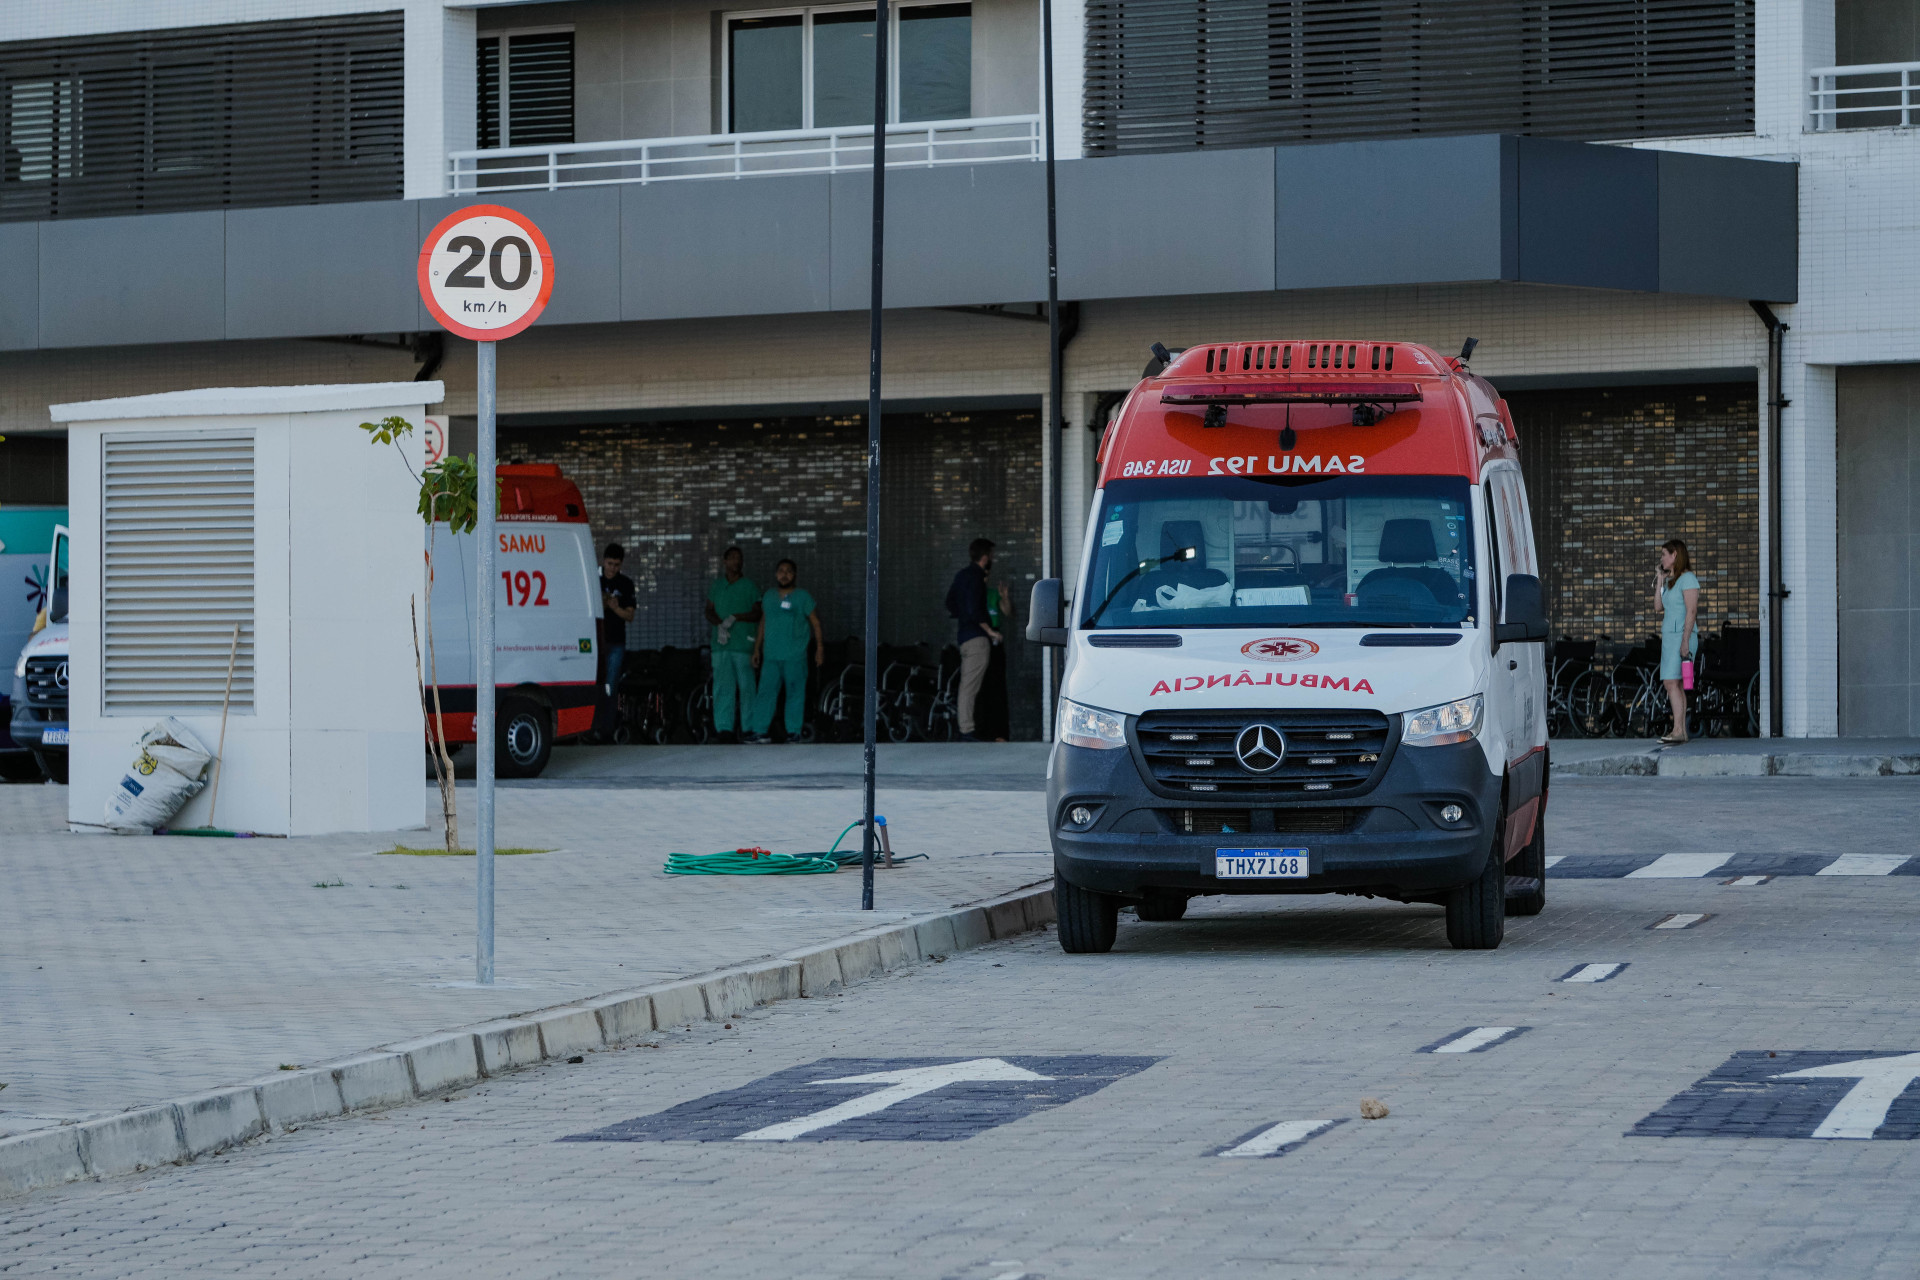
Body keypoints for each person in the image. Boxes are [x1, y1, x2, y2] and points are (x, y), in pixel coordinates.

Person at [748, 558, 824, 743]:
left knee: (795, 692)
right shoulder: (769, 596)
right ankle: (759, 731)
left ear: (795, 574)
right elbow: (763, 623)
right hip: (771, 655)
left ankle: (793, 731)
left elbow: (815, 622)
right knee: (765, 692)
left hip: (795, 655)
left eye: (788, 571)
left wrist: (820, 648)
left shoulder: (803, 596)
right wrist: (756, 649)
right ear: (776, 574)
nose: (784, 574)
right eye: (781, 571)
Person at [946, 537, 1002, 741]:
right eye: (992, 555)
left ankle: (969, 729)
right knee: (970, 686)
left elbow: (950, 602)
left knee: (969, 684)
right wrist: (990, 631)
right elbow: (974, 608)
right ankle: (967, 730)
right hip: (977, 638)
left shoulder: (961, 575)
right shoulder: (977, 577)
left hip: (964, 636)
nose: (992, 559)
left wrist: (963, 617)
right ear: (985, 557)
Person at [704, 546, 761, 743]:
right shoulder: (717, 586)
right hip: (721, 645)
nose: (737, 562)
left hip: (743, 644)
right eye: (733, 558)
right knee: (722, 688)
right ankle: (724, 729)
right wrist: (719, 624)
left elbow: (757, 612)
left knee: (747, 688)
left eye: (740, 558)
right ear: (724, 561)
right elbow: (708, 610)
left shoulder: (749, 586)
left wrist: (736, 617)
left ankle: (749, 728)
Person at [1652, 538, 1700, 745]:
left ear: (1675, 556)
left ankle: (1679, 729)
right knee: (1673, 682)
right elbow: (1657, 607)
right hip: (1669, 637)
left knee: (1672, 681)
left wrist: (1685, 641)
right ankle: (1679, 729)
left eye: (1664, 554)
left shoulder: (1688, 579)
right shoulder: (1672, 581)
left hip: (1682, 635)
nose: (1661, 558)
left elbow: (1691, 611)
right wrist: (1660, 580)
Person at [595, 543, 636, 740]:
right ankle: (591, 728)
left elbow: (630, 616)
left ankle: (606, 730)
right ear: (603, 561)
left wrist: (613, 607)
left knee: (610, 686)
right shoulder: (593, 579)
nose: (612, 568)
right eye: (610, 564)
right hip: (595, 642)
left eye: (616, 565)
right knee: (594, 685)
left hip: (616, 642)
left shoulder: (626, 584)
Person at [976, 575, 1015, 741]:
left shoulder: (992, 594)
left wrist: (1004, 597)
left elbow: (1007, 612)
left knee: (997, 687)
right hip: (979, 638)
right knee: (980, 688)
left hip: (995, 640)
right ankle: (981, 731)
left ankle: (999, 733)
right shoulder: (974, 595)